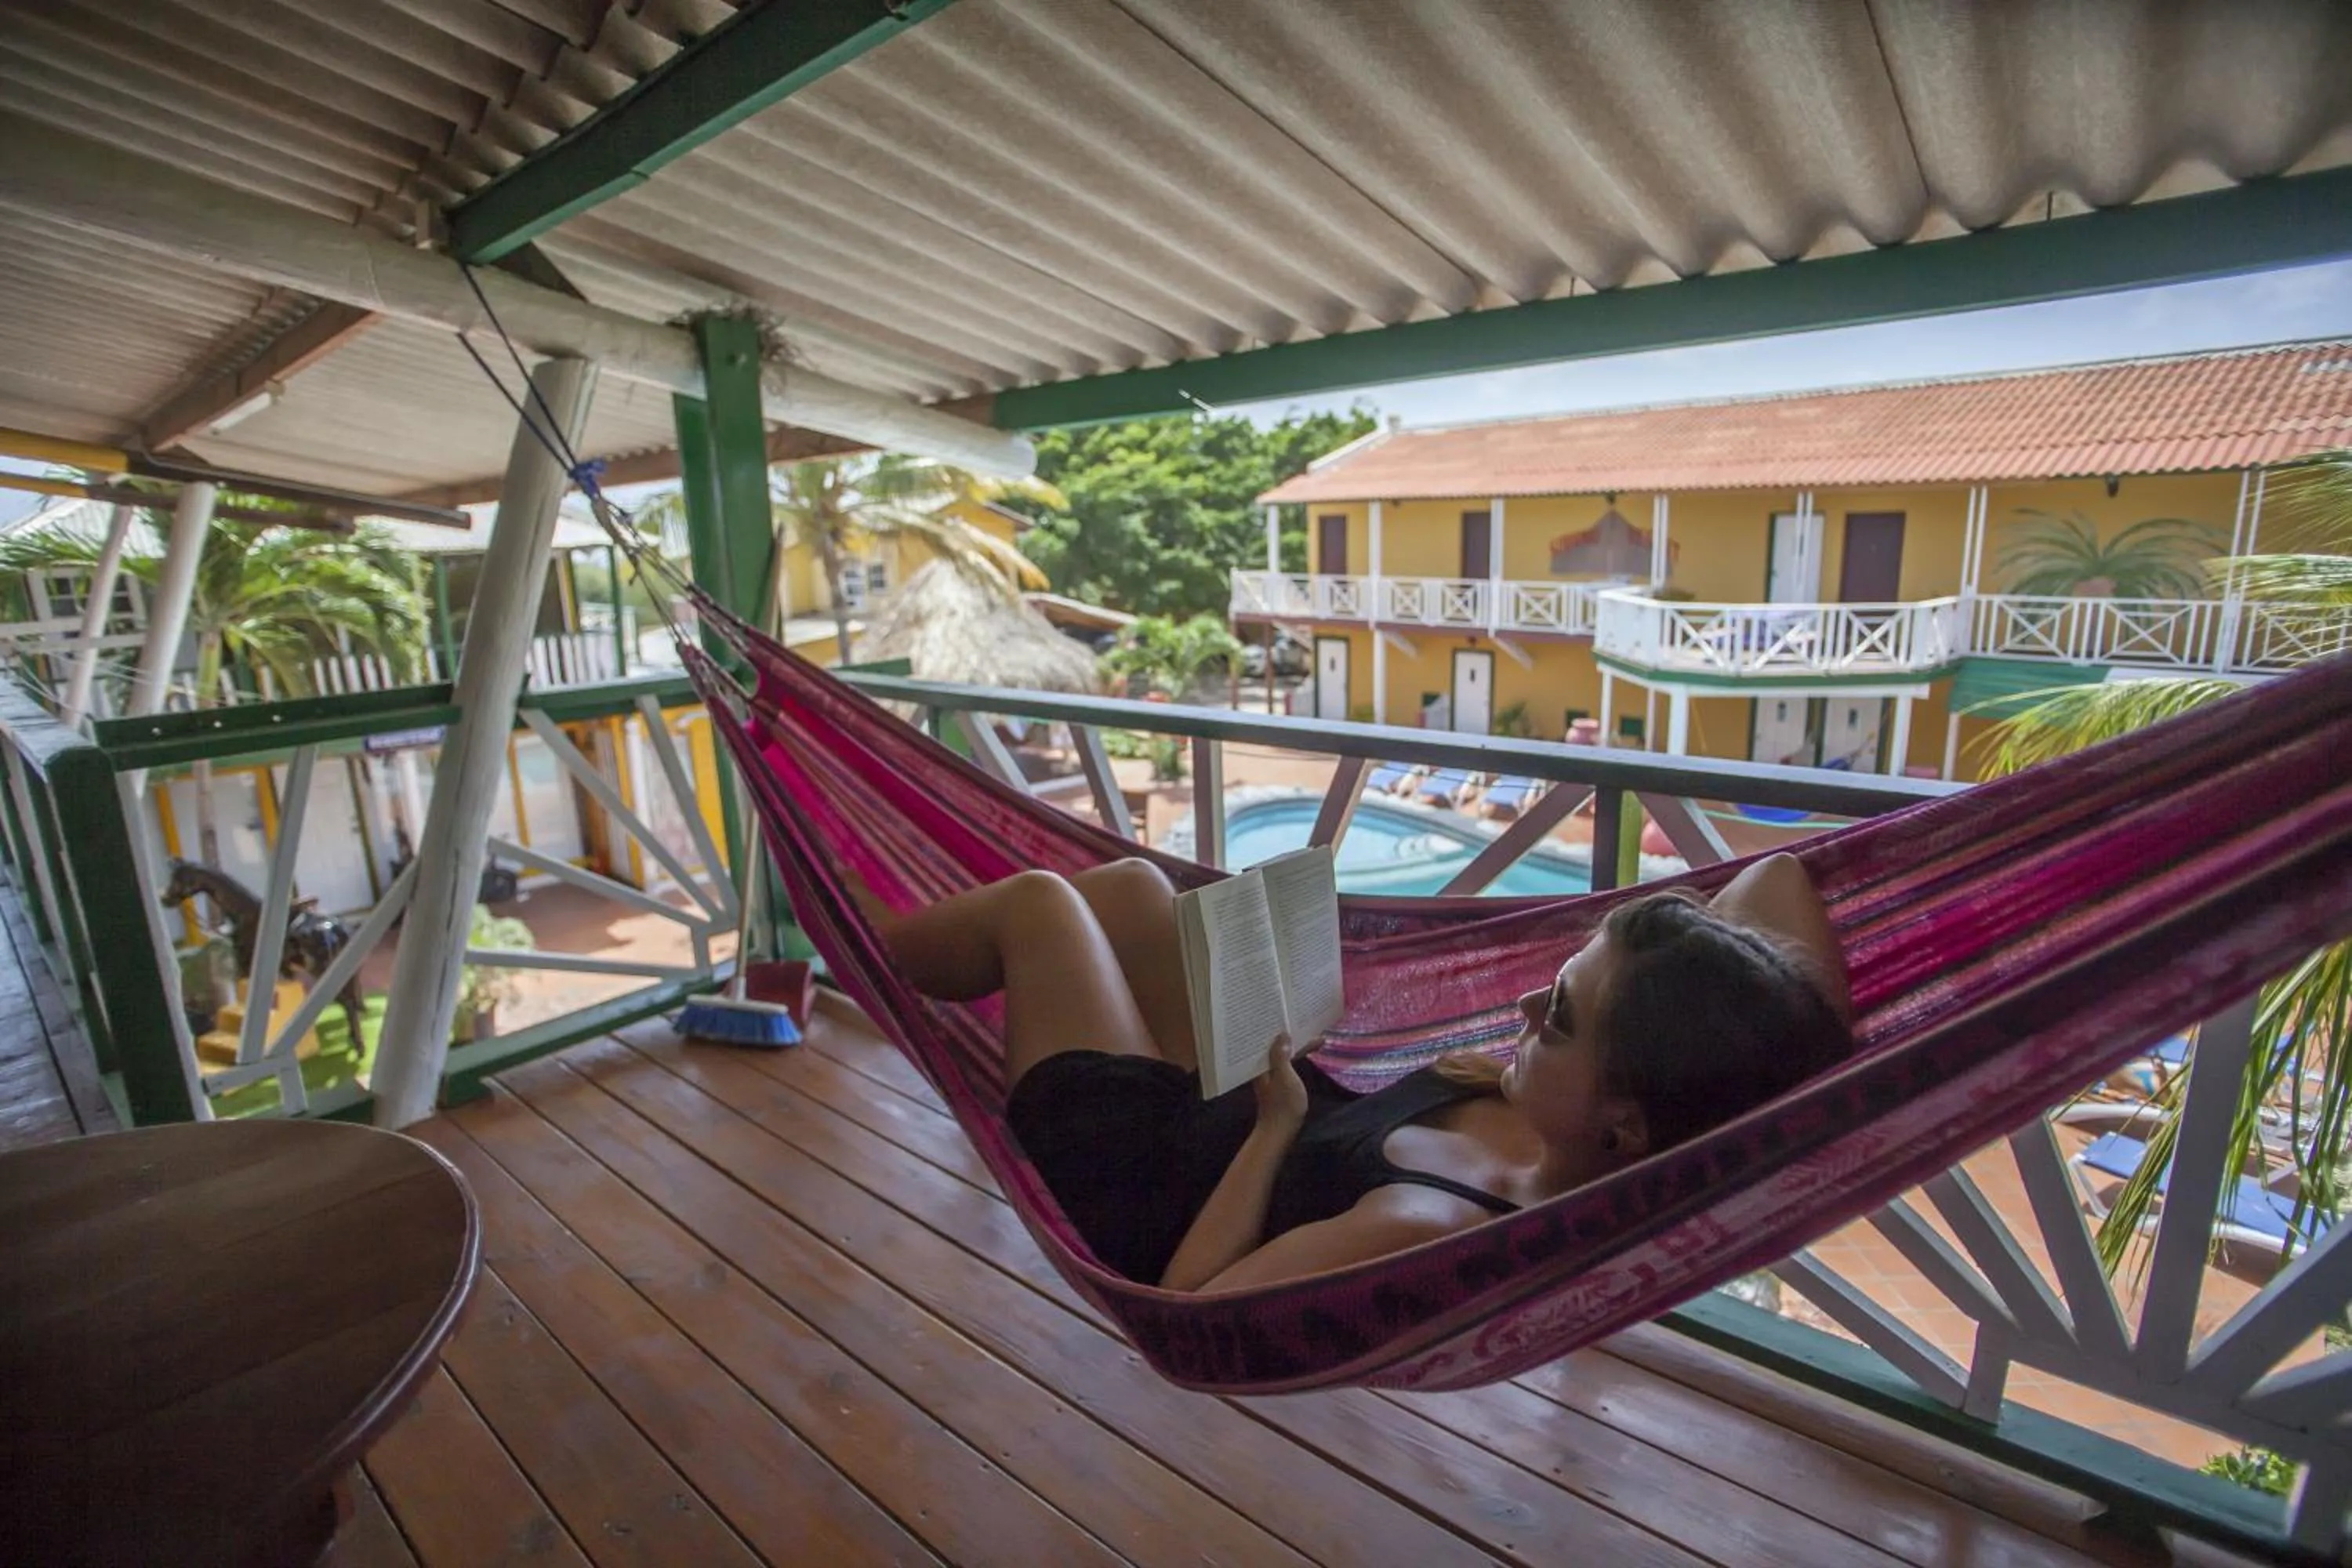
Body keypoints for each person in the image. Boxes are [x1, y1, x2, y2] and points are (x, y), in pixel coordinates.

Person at [860, 852, 1853, 1293]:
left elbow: (1190, 1304)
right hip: (1229, 1093)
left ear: (1627, 1121)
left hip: (1141, 1169)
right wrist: (1739, 1026)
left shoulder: (1422, 1220)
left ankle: (858, 947)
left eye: (1554, 1016)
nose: (1519, 1011)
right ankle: (867, 936)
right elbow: (1779, 883)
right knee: (1129, 887)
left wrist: (1274, 1127)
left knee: (1041, 902)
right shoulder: (1598, 1127)